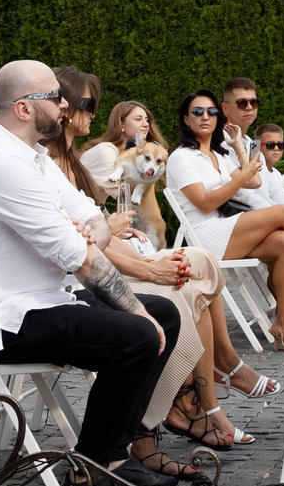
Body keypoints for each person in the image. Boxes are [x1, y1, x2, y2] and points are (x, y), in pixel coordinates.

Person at [0, 60, 189, 486]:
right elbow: (82, 259)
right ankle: (92, 469)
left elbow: (93, 216)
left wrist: (90, 230)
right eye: (55, 97)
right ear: (24, 109)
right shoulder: (2, 165)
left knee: (164, 314)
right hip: (3, 318)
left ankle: (110, 453)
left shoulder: (31, 156)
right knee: (139, 331)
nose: (65, 106)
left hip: (44, 301)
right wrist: (134, 307)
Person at [53, 68, 245, 458]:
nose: (93, 113)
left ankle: (200, 395)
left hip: (109, 253)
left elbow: (93, 232)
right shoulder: (64, 161)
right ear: (63, 107)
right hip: (71, 281)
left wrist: (116, 234)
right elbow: (80, 246)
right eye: (88, 104)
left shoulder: (67, 160)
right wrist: (148, 268)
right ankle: (175, 412)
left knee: (200, 265)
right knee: (181, 290)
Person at [163, 89, 284, 354]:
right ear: (186, 120)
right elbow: (205, 203)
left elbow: (255, 181)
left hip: (226, 229)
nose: (205, 117)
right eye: (197, 112)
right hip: (205, 235)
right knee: (282, 212)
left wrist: (237, 147)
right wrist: (239, 179)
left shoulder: (219, 155)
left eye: (211, 112)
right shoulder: (181, 157)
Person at [80, 102, 169, 243]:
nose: (145, 124)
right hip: (80, 218)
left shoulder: (129, 155)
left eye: (147, 120)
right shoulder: (106, 150)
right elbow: (123, 193)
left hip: (95, 213)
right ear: (121, 125)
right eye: (138, 119)